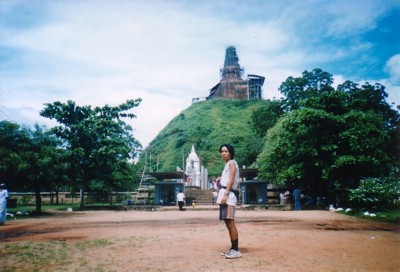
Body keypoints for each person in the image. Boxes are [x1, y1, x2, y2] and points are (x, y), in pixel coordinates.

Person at [216, 144, 242, 259]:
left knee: (230, 223)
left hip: (229, 195)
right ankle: (232, 248)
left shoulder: (232, 163)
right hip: (226, 194)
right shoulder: (227, 164)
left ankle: (235, 250)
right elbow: (228, 178)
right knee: (227, 223)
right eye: (222, 151)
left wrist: (225, 194)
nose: (223, 153)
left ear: (230, 152)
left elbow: (231, 179)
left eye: (226, 151)